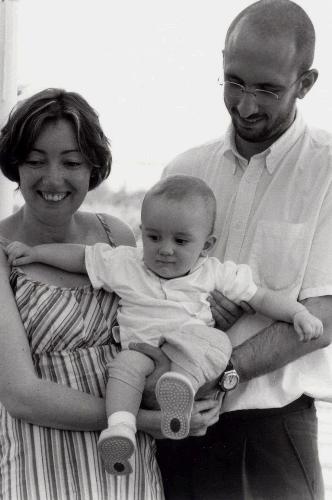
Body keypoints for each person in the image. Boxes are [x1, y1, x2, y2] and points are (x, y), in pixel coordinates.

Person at [6, 173, 324, 477]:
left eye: (181, 241)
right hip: (142, 352)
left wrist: (298, 314)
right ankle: (120, 429)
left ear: (207, 244)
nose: (165, 249)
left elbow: (262, 298)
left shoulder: (213, 272)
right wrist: (36, 254)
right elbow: (80, 257)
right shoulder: (127, 263)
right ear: (141, 231)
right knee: (123, 367)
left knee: (213, 343)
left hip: (188, 350)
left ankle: (180, 388)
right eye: (153, 237)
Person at [144, 1, 332, 499]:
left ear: (306, 83)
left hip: (270, 436)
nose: (246, 104)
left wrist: (219, 376)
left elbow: (325, 318)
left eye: (267, 88)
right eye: (234, 81)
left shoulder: (329, 172)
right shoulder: (184, 169)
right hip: (169, 424)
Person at [0, 88, 221, 499]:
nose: (53, 179)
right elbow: (21, 395)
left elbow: (165, 323)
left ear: (92, 166)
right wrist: (142, 420)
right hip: (40, 459)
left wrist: (195, 391)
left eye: (71, 162)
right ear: (15, 163)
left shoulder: (113, 235)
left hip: (126, 467)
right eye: (34, 160)